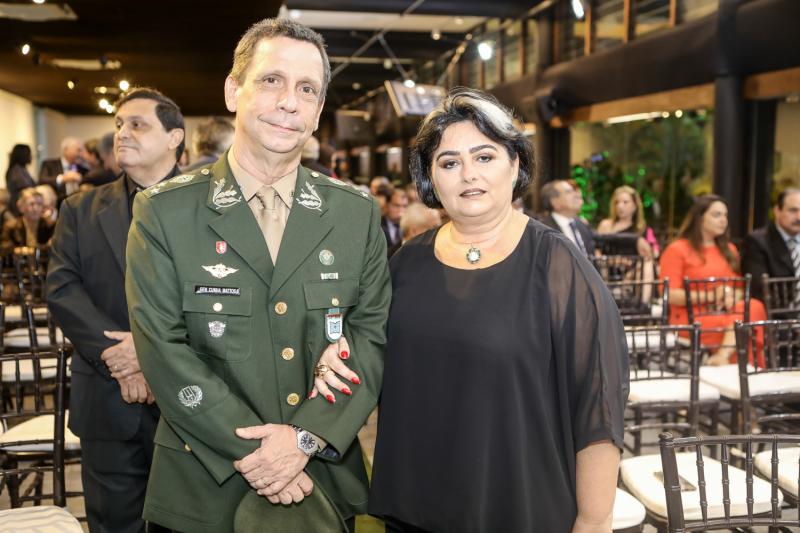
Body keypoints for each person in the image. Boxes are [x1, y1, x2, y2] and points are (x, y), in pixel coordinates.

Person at [125, 18, 390, 533]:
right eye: (271, 80)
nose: (289, 102)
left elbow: (371, 335)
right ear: (233, 90)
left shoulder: (354, 214)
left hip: (321, 481)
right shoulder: (164, 212)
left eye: (307, 89)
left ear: (318, 110)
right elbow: (161, 346)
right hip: (203, 486)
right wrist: (265, 454)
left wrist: (304, 439)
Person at [363, 88, 627, 533]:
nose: (468, 174)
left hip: (518, 505)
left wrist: (593, 521)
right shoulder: (407, 263)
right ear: (431, 179)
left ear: (515, 163)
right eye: (449, 163)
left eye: (484, 157)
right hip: (417, 507)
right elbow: (373, 362)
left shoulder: (556, 265)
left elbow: (598, 406)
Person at [46, 86, 185, 533]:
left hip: (190, 400)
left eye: (137, 124)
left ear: (174, 137)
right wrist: (118, 355)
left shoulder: (211, 208)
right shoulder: (80, 209)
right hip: (107, 398)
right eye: (119, 124)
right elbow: (62, 289)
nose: (122, 133)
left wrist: (148, 352)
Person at [659, 194, 767, 365]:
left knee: (753, 306)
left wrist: (730, 295)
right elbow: (669, 294)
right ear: (700, 218)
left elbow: (740, 288)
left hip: (727, 313)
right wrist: (712, 296)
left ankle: (722, 357)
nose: (723, 220)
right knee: (744, 327)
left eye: (725, 215)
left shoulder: (729, 249)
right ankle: (744, 375)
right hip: (691, 318)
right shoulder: (677, 249)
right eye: (717, 215)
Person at [742, 188, 800, 301]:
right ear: (777, 211)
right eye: (793, 210)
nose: (799, 217)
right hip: (781, 310)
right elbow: (760, 290)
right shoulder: (757, 242)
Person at [596, 185, 659, 257]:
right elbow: (596, 249)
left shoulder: (642, 229)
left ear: (635, 205)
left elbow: (654, 252)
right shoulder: (605, 225)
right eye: (617, 202)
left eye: (625, 202)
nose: (620, 206)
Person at [540, 178, 596, 258]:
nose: (577, 195)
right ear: (555, 203)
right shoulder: (543, 231)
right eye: (569, 192)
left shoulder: (582, 225)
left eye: (574, 191)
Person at [1, 188, 54, 254]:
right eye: (31, 204)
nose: (35, 208)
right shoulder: (11, 226)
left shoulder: (49, 225)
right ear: (21, 207)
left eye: (39, 204)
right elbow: (5, 249)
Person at [38, 136, 88, 203]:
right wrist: (63, 179)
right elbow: (42, 180)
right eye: (78, 150)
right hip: (58, 204)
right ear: (66, 150)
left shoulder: (84, 170)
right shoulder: (49, 164)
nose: (81, 154)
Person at [5, 143, 36, 216]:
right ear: (23, 155)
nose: (31, 156)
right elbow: (25, 188)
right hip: (19, 207)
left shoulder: (21, 169)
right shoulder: (16, 170)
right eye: (29, 154)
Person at [381, 188, 408, 257]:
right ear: (386, 205)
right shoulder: (377, 225)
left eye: (404, 206)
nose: (401, 210)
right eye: (397, 206)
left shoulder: (410, 226)